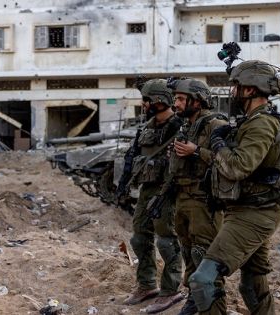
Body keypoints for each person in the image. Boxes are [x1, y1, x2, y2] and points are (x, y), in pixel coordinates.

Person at [188, 60, 280, 315]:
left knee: (203, 280)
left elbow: (239, 167)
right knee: (252, 283)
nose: (232, 92)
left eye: (236, 87)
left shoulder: (261, 123)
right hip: (249, 209)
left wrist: (219, 145)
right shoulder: (253, 119)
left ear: (250, 90)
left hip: (253, 215)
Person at [167, 78, 229, 315]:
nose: (177, 104)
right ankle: (195, 297)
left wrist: (197, 152)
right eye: (176, 99)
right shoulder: (187, 126)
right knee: (188, 251)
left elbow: (229, 162)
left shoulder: (216, 124)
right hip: (183, 198)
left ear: (198, 100)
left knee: (205, 255)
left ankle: (213, 305)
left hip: (205, 201)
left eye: (181, 99)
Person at [124, 79, 185, 314]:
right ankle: (147, 284)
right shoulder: (147, 126)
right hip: (148, 188)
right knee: (139, 238)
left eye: (147, 100)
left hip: (169, 188)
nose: (143, 103)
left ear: (159, 101)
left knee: (166, 240)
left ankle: (171, 289)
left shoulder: (179, 126)